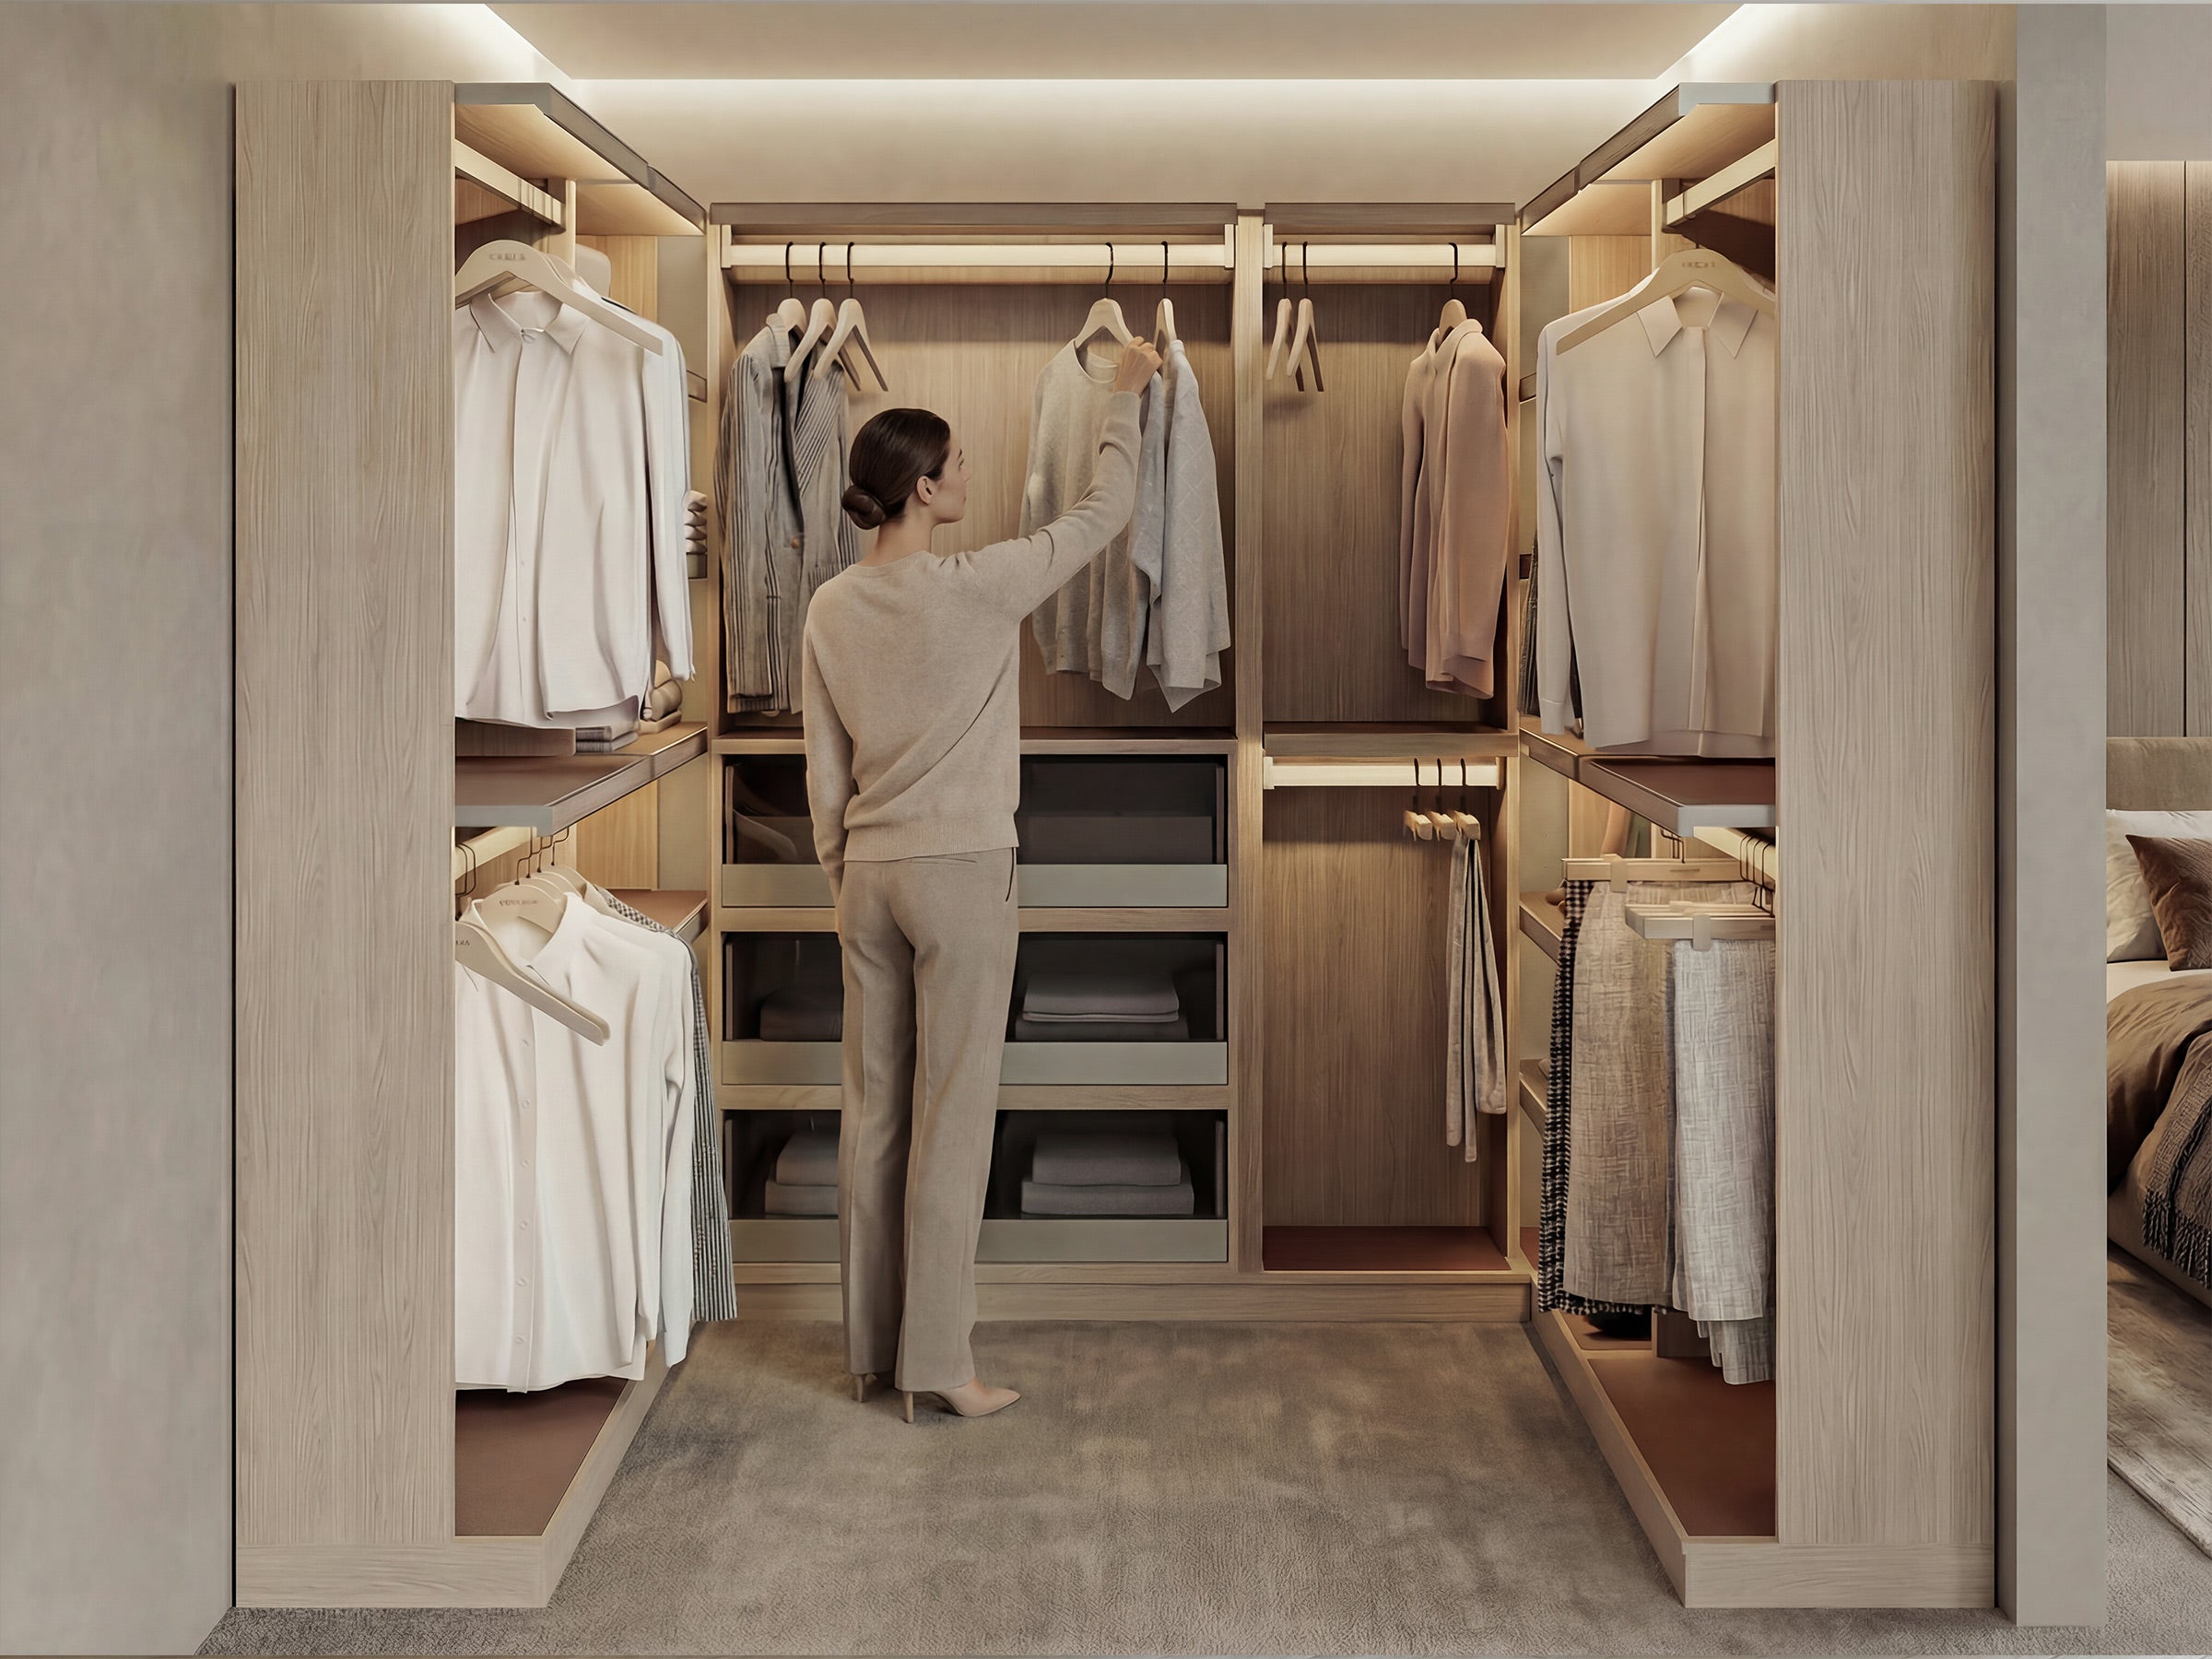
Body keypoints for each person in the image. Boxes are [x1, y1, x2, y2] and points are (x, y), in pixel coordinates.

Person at [800, 338, 1162, 1421]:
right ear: (923, 489)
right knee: (953, 1123)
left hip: (868, 875)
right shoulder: (984, 582)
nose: (968, 478)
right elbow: (1103, 513)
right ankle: (942, 1367)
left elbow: (823, 773)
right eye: (955, 466)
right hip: (961, 875)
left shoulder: (827, 608)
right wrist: (1123, 402)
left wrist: (844, 876)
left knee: (872, 1119)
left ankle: (871, 1355)